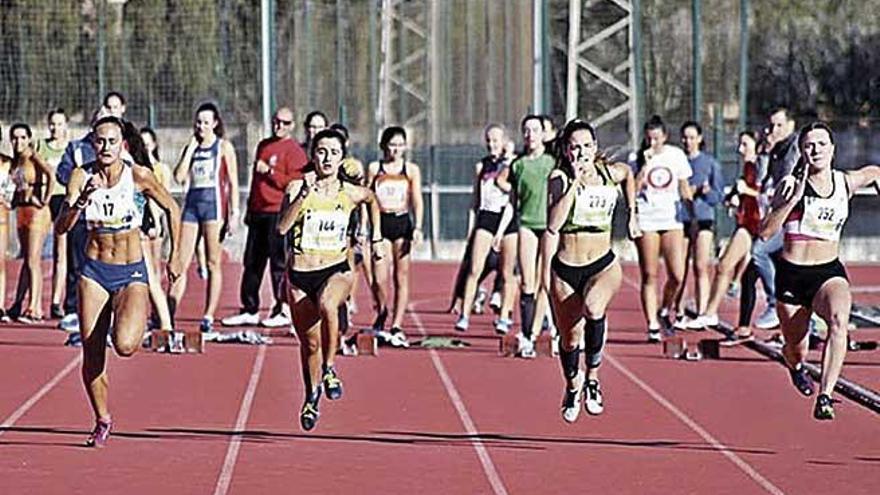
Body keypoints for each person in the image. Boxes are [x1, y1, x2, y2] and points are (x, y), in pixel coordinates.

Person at [55, 116, 182, 446]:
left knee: (125, 345)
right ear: (92, 144)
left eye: (112, 141)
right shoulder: (82, 176)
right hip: (94, 271)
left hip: (130, 272)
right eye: (100, 141)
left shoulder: (138, 176)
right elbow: (62, 226)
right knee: (92, 352)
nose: (106, 147)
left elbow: (172, 208)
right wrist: (82, 200)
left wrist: (177, 255)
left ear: (122, 144)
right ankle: (102, 418)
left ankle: (126, 317)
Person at [759, 122, 879, 420]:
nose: (816, 150)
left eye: (822, 144)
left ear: (833, 149)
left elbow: (875, 172)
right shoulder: (788, 186)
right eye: (809, 146)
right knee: (795, 348)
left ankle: (825, 395)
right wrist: (791, 201)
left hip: (828, 273)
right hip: (792, 276)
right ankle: (796, 367)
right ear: (802, 152)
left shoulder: (845, 183)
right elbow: (765, 232)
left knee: (839, 321)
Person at [277, 128, 384, 431]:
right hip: (300, 275)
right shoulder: (297, 187)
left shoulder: (348, 192)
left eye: (334, 153)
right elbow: (282, 229)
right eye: (321, 151)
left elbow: (372, 198)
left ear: (341, 158)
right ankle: (311, 396)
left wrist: (375, 237)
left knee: (328, 304)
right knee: (309, 344)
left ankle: (330, 368)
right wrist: (302, 196)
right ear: (313, 154)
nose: (327, 158)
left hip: (336, 269)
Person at [546, 119, 638, 422]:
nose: (582, 152)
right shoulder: (558, 178)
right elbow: (554, 224)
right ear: (566, 150)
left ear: (595, 147)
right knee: (569, 338)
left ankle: (593, 378)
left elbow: (628, 174)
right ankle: (573, 386)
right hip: (566, 268)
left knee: (593, 308)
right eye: (575, 147)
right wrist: (575, 181)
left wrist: (632, 215)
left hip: (602, 263)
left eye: (587, 146)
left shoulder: (609, 173)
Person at [222, 107, 307, 328]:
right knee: (252, 262)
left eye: (285, 123)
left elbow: (292, 183)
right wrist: (250, 208)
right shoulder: (264, 145)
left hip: (277, 212)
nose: (280, 126)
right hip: (258, 213)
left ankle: (282, 307)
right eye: (277, 121)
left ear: (292, 125)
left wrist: (270, 172)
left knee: (279, 264)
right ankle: (249, 307)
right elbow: (255, 182)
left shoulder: (295, 151)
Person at [169, 102, 240, 332]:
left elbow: (233, 183)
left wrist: (234, 213)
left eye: (206, 122)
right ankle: (168, 313)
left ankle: (208, 314)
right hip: (192, 206)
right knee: (181, 261)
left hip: (214, 207)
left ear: (215, 124)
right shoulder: (193, 147)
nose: (201, 127)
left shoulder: (223, 147)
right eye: (198, 122)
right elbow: (179, 177)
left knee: (212, 262)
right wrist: (190, 149)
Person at [689, 131, 762, 337]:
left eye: (745, 145)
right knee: (730, 268)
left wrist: (747, 191)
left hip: (759, 225)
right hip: (747, 223)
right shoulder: (746, 167)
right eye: (739, 144)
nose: (740, 149)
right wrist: (736, 200)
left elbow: (767, 192)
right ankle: (717, 314)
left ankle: (714, 312)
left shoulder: (761, 165)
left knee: (732, 268)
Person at [496, 115, 556, 357]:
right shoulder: (519, 165)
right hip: (527, 225)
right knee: (527, 283)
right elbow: (512, 201)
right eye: (526, 130)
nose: (530, 135)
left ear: (543, 134)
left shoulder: (551, 163)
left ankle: (556, 331)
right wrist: (500, 231)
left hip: (549, 226)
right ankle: (528, 335)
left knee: (548, 282)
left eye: (535, 130)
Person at [630, 115, 693, 342]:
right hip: (647, 219)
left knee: (677, 274)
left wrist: (692, 216)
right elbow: (632, 190)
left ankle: (665, 308)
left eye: (656, 138)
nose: (653, 143)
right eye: (649, 139)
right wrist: (644, 165)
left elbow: (685, 187)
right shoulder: (636, 158)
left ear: (664, 137)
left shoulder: (675, 155)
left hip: (671, 220)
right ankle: (652, 325)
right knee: (650, 274)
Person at [454, 124, 518, 334]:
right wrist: (470, 228)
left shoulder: (513, 164)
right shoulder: (482, 166)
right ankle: (464, 314)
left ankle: (504, 316)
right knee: (474, 268)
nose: (492, 144)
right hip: (486, 217)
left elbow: (512, 197)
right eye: (489, 140)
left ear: (505, 142)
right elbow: (475, 199)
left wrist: (507, 159)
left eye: (496, 140)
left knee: (507, 272)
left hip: (507, 218)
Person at [367, 126, 424, 347]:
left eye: (400, 145)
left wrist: (418, 227)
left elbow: (417, 200)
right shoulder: (374, 168)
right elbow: (367, 199)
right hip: (381, 223)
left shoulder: (410, 170)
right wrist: (365, 227)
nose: (396, 149)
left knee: (401, 276)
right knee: (379, 278)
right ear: (384, 146)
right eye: (392, 144)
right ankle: (382, 311)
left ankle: (397, 324)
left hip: (402, 223)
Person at [752, 108, 800, 330]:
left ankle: (774, 303)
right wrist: (764, 154)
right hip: (779, 215)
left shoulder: (795, 147)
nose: (773, 130)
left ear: (791, 125)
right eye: (771, 126)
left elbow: (786, 181)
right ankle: (786, 311)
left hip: (795, 217)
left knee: (759, 251)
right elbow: (764, 181)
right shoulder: (776, 150)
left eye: (779, 125)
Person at [673, 122, 722, 328]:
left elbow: (717, 196)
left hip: (703, 219)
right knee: (679, 268)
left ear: (700, 139)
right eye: (685, 137)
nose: (688, 142)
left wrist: (705, 191)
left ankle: (702, 312)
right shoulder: (676, 161)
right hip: (680, 219)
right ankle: (679, 312)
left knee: (700, 265)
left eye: (692, 137)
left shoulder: (710, 163)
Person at [8, 124, 55, 322]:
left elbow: (51, 175)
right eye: (15, 138)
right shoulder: (15, 162)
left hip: (37, 212)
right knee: (27, 259)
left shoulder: (33, 156)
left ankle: (35, 308)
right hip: (22, 211)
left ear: (29, 139)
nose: (19, 142)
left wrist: (45, 199)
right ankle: (18, 304)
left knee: (33, 260)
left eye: (22, 137)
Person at [35, 108, 71, 318]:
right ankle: (33, 301)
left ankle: (56, 301)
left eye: (59, 124)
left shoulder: (69, 149)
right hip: (43, 201)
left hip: (62, 200)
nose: (55, 128)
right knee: (35, 253)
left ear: (66, 125)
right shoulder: (40, 147)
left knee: (60, 253)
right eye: (52, 124)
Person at [0, 131, 13, 321]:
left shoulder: (6, 163)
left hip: (1, 215)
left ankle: (0, 305)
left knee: (0, 261)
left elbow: (11, 188)